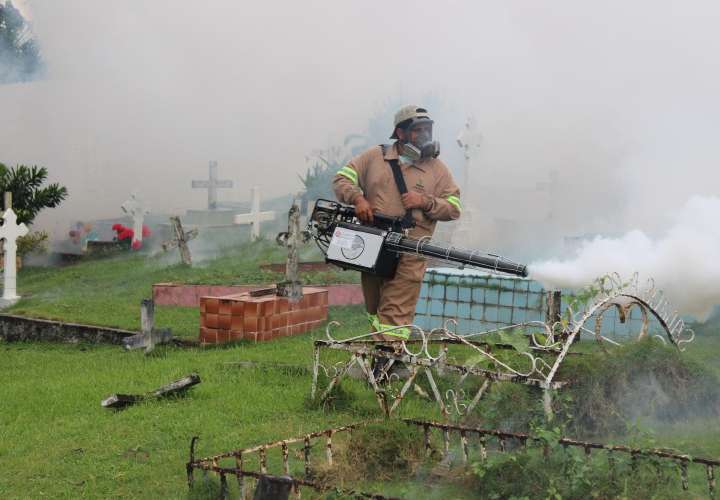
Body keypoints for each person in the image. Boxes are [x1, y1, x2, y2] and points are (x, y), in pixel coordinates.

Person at [333, 105, 462, 342]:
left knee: (396, 309)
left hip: (411, 249)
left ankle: (387, 365)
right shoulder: (374, 157)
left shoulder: (437, 169)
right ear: (400, 134)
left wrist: (425, 201)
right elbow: (343, 178)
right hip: (373, 244)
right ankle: (380, 351)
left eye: (428, 129)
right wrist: (358, 198)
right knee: (375, 306)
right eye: (417, 130)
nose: (425, 135)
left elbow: (454, 207)